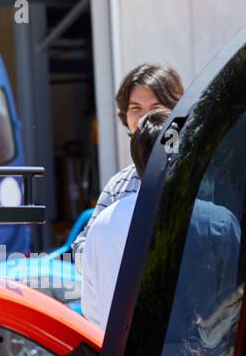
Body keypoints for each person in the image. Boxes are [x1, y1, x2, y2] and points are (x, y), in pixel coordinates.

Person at [73, 63, 184, 261]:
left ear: (178, 111)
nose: (144, 117)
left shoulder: (201, 170)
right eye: (135, 108)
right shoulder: (118, 184)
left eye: (155, 107)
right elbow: (83, 249)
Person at [80, 109, 169, 329]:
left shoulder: (102, 224)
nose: (145, 111)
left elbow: (91, 309)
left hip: (117, 353)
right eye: (136, 107)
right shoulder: (216, 220)